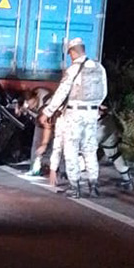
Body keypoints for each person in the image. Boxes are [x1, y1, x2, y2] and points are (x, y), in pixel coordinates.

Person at [39, 37, 108, 198]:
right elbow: (104, 91)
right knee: (90, 150)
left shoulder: (73, 70)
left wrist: (48, 112)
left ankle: (75, 187)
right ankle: (93, 186)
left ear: (72, 52)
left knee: (71, 150)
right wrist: (95, 105)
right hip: (92, 114)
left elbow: (61, 93)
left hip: (74, 114)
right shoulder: (99, 67)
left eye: (70, 53)